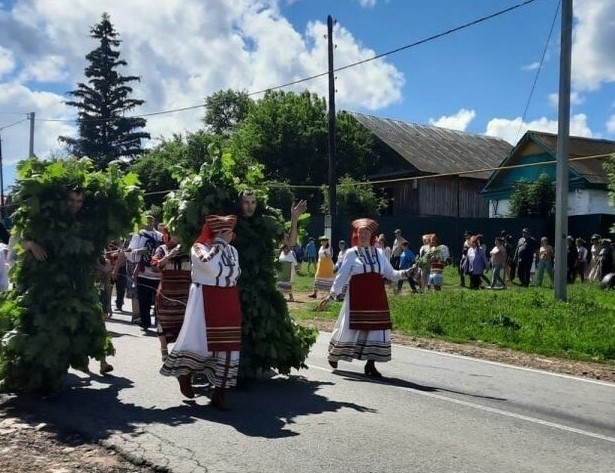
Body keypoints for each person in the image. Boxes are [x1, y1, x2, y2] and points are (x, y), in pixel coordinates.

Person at [160, 215, 241, 410]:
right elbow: (211, 267)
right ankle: (185, 374)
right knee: (199, 342)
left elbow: (235, 273)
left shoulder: (232, 250)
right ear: (219, 233)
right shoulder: (199, 248)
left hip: (228, 298)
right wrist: (219, 245)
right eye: (228, 232)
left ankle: (219, 393)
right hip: (205, 298)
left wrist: (223, 251)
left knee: (229, 346)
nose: (233, 235)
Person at [318, 218, 411, 377]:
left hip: (377, 297)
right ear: (356, 234)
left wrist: (408, 272)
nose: (362, 235)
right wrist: (332, 294)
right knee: (349, 326)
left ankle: (370, 364)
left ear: (371, 235)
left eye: (366, 232)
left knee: (377, 329)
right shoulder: (351, 253)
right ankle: (335, 354)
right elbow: (342, 275)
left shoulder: (379, 253)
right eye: (360, 232)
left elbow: (391, 274)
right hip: (357, 297)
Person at [152, 234, 188, 362]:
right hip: (166, 292)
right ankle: (164, 350)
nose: (179, 236)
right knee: (163, 322)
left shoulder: (190, 249)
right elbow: (155, 266)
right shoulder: (162, 249)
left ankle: (181, 353)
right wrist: (170, 255)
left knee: (184, 323)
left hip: (185, 293)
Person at [126, 214, 164, 331]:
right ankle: (145, 322)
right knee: (144, 299)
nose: (149, 223)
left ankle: (159, 321)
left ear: (154, 222)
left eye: (151, 221)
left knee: (159, 299)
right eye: (146, 221)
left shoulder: (160, 236)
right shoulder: (138, 236)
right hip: (143, 272)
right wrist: (139, 251)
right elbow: (129, 253)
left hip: (158, 273)